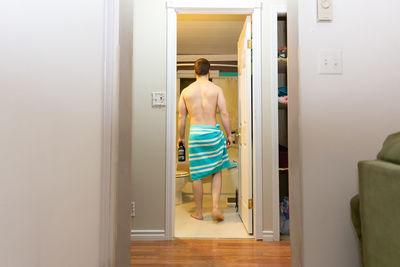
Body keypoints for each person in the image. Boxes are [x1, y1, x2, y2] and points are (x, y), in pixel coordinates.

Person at [177, 58, 233, 221]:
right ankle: (215, 208)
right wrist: (229, 134)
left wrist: (181, 138)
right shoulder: (216, 89)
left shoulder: (186, 91)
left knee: (196, 174)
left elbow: (181, 117)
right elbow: (224, 113)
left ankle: (199, 212)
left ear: (195, 72)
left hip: (195, 134)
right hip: (212, 134)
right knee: (217, 170)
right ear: (209, 71)